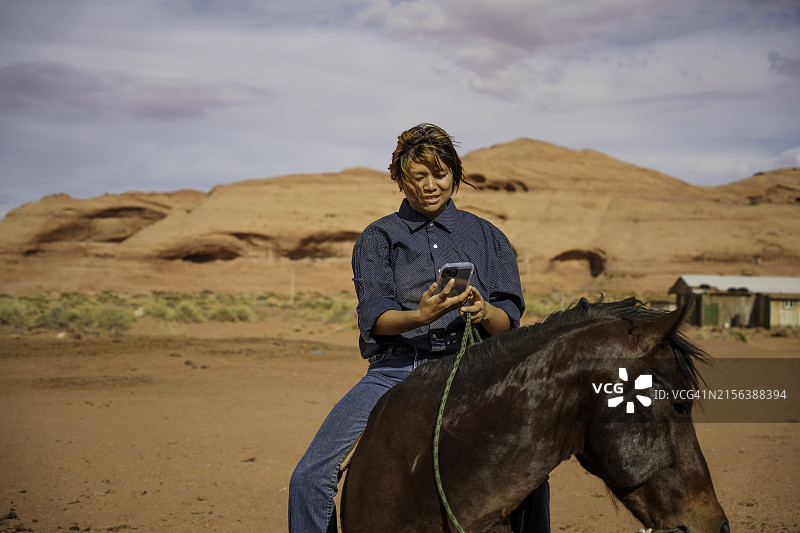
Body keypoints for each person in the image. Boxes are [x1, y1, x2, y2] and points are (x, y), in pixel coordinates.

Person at [288, 123, 550, 532]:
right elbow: (376, 315)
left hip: (472, 368)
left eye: (440, 174)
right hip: (395, 370)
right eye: (418, 176)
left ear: (456, 176)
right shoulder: (377, 238)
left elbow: (508, 321)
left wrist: (482, 311)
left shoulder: (488, 236)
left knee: (534, 472)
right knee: (309, 477)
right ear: (399, 180)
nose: (430, 186)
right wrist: (420, 316)